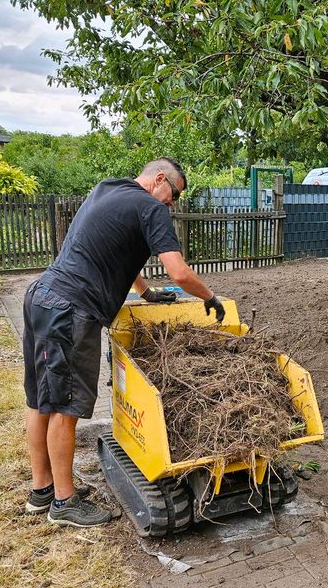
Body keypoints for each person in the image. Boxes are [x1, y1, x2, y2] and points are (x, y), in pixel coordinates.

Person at [22, 157, 226, 527]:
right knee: (65, 406)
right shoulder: (151, 207)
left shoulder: (109, 189)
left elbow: (115, 252)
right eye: (174, 194)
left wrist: (144, 292)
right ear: (160, 179)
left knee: (40, 400)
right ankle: (64, 503)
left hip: (42, 297)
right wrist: (209, 297)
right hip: (72, 309)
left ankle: (43, 491)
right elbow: (178, 271)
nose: (173, 204)